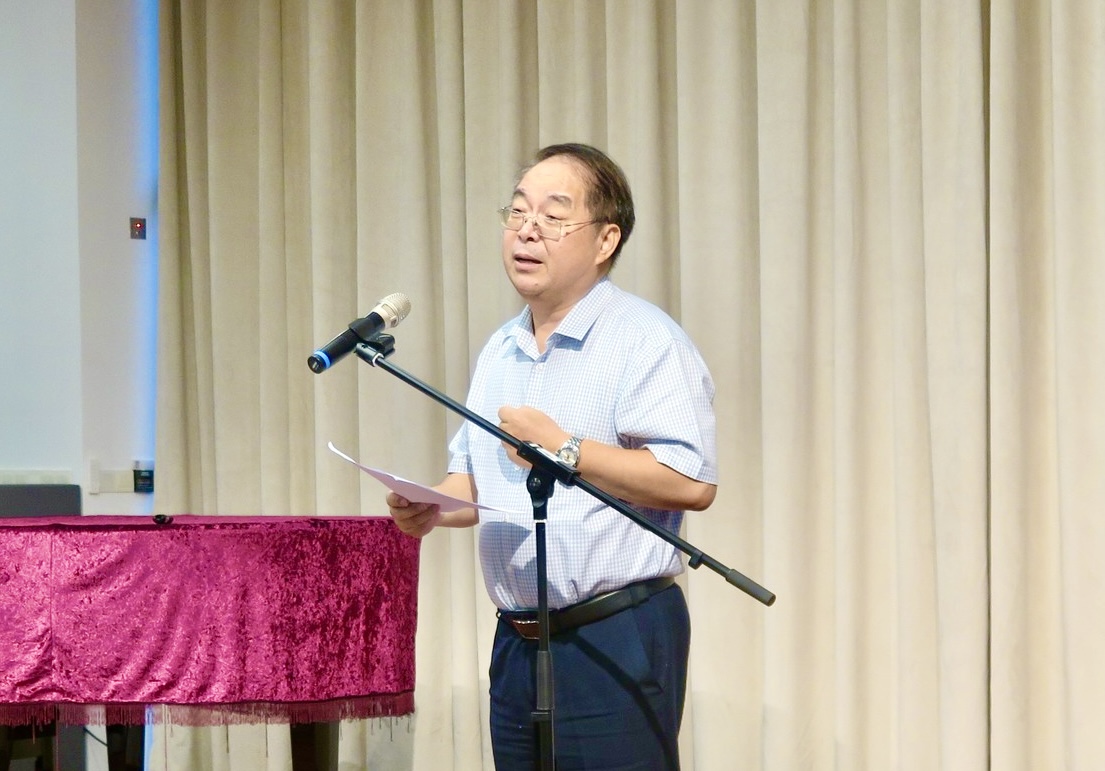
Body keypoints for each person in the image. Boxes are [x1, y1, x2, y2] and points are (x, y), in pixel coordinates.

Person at [386, 143, 717, 770]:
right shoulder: (500, 350)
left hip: (614, 632)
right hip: (517, 639)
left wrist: (565, 448)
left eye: (554, 216)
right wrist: (430, 506)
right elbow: (476, 484)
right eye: (517, 212)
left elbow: (690, 481)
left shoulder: (646, 340)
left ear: (605, 239)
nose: (527, 230)